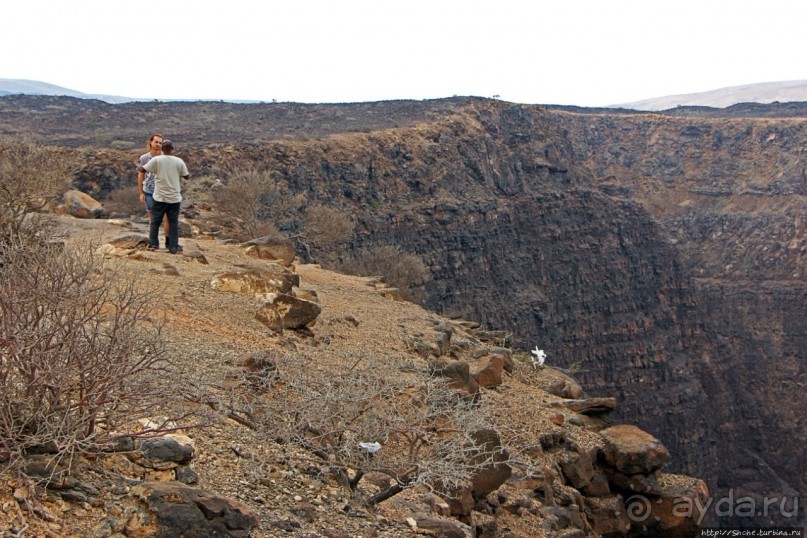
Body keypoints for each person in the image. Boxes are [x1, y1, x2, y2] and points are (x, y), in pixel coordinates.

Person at [140, 139, 189, 254]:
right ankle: (173, 246)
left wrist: (137, 164)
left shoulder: (157, 160)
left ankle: (153, 244)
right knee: (173, 222)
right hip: (174, 198)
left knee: (155, 222)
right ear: (172, 149)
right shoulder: (179, 161)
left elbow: (143, 169)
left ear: (162, 149)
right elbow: (186, 176)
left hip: (160, 197)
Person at [136, 133, 170, 245]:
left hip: (163, 191)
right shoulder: (144, 158)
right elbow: (141, 175)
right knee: (152, 217)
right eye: (156, 142)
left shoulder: (165, 158)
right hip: (149, 190)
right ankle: (153, 242)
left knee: (167, 216)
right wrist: (141, 193)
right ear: (151, 142)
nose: (158, 145)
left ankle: (168, 241)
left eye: (160, 143)